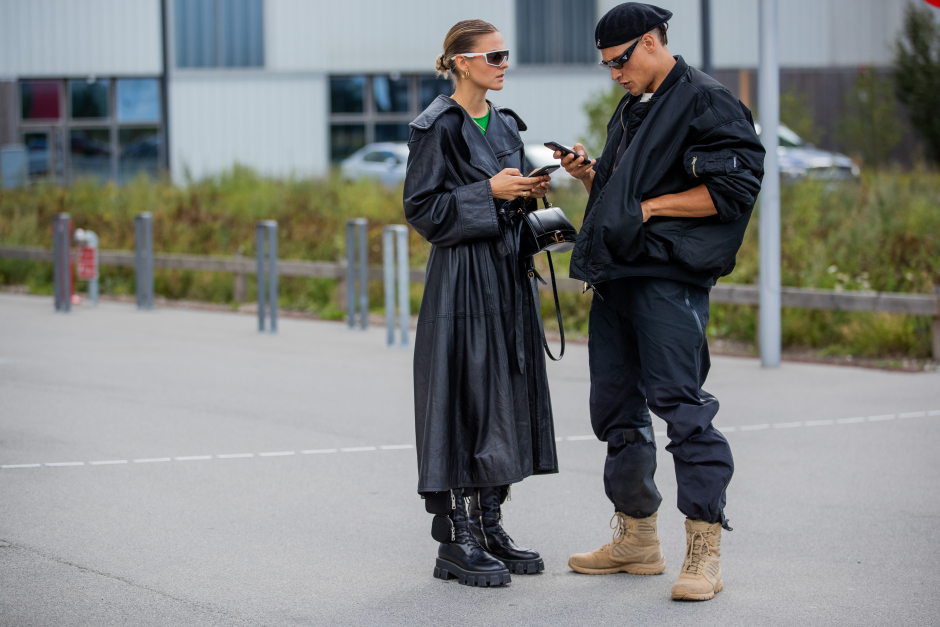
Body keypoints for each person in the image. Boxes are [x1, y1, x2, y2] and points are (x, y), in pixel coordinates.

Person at [553, 3, 765, 601]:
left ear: (650, 42)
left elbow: (735, 188)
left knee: (682, 408)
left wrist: (649, 209)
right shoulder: (635, 105)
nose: (614, 74)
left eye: (619, 62)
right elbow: (626, 192)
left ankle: (705, 549)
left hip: (666, 280)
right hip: (617, 278)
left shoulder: (706, 100)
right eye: (606, 67)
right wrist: (591, 177)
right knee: (616, 410)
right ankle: (638, 539)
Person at [403, 19, 559, 588]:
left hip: (507, 275)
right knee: (467, 392)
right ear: (461, 62)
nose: (503, 63)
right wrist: (487, 193)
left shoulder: (507, 125)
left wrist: (527, 192)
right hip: (462, 279)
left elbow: (504, 199)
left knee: (507, 389)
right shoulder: (435, 127)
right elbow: (422, 209)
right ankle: (459, 536)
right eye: (492, 55)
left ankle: (491, 522)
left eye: (505, 54)